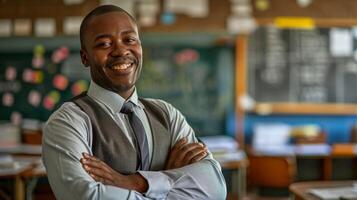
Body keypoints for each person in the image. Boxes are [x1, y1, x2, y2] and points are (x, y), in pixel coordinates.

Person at [42, 5, 226, 200]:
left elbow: (215, 190)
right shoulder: (67, 122)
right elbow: (87, 197)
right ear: (85, 57)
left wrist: (135, 182)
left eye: (129, 40)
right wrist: (169, 184)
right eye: (104, 44)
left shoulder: (167, 114)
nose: (121, 51)